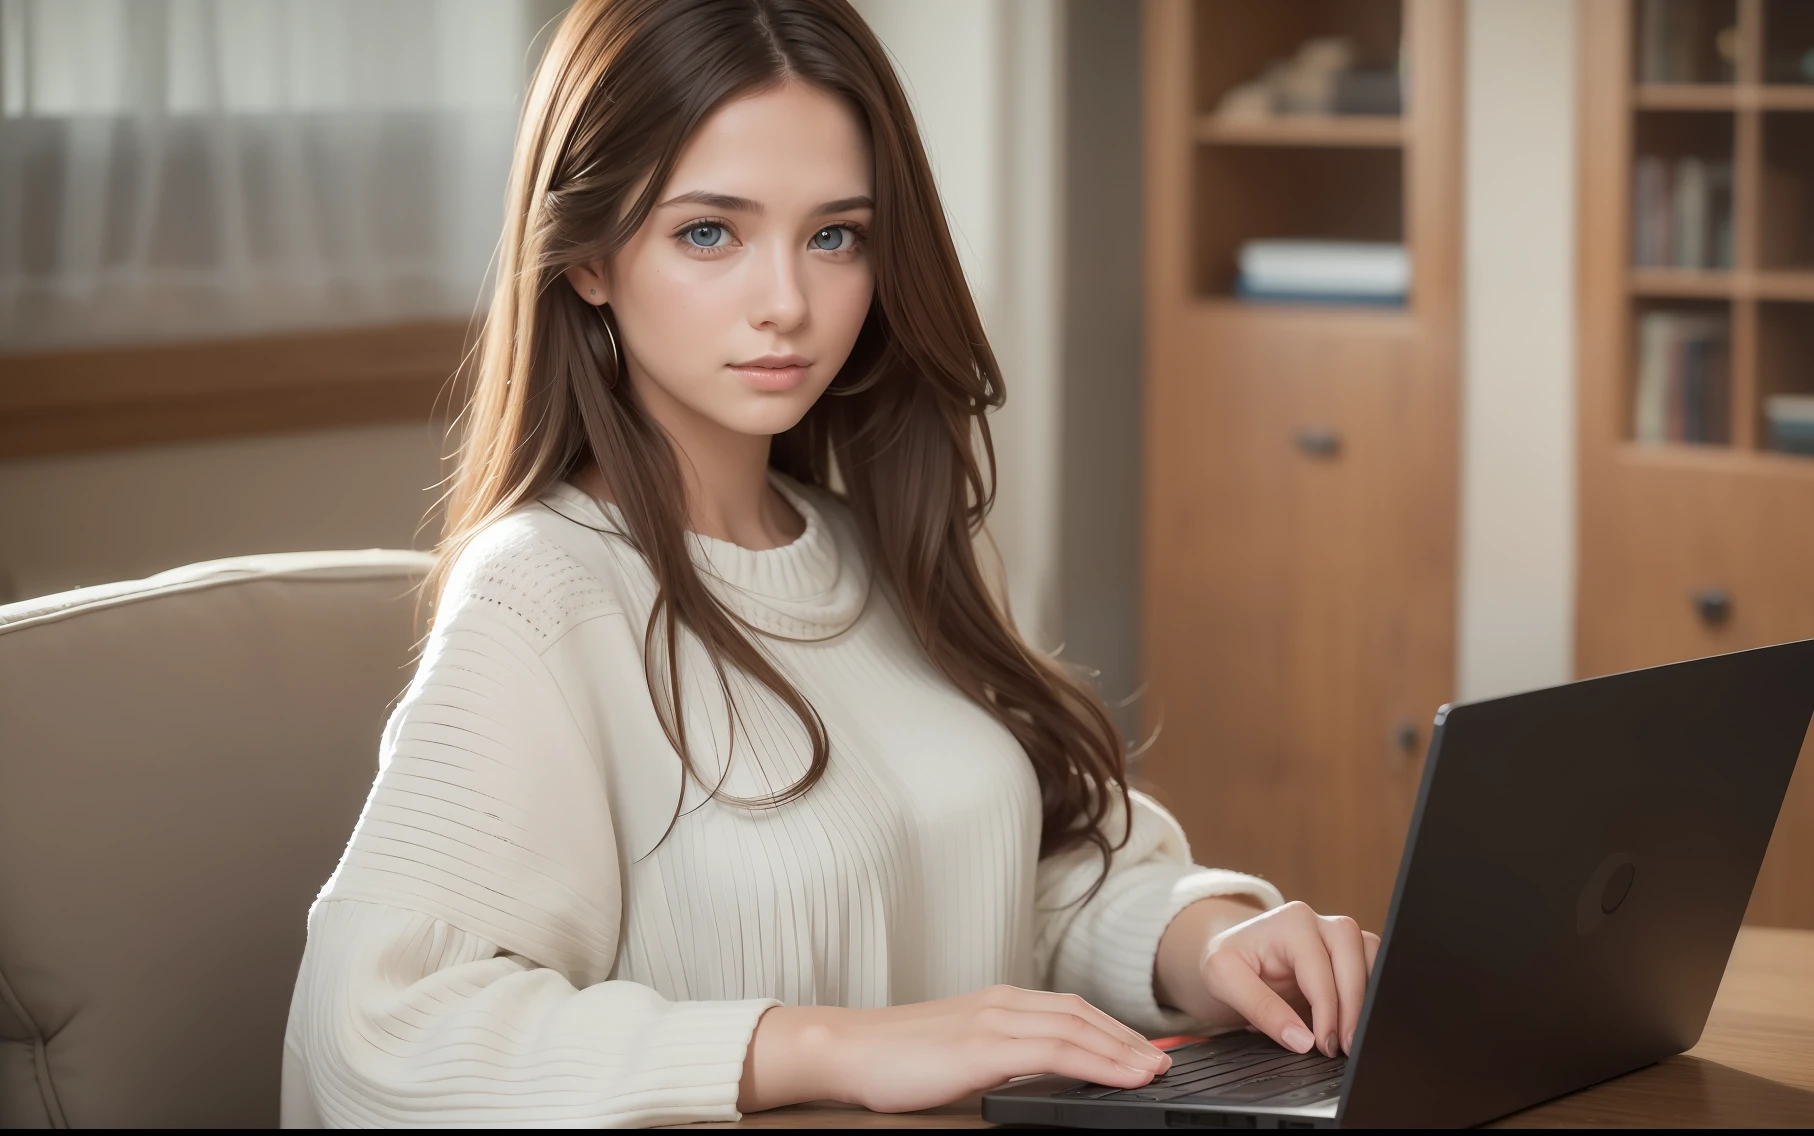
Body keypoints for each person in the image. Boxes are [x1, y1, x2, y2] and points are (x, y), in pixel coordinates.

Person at [280, 0, 1378, 1125]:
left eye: (834, 235)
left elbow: (1014, 875)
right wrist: (832, 1047)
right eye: (708, 231)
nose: (786, 304)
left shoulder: (886, 549)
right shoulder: (544, 589)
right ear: (591, 260)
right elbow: (376, 1031)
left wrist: (1204, 938)